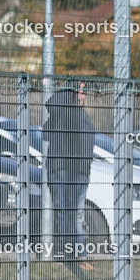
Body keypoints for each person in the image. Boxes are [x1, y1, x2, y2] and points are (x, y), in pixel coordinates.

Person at [43, 84, 96, 269]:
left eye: (84, 90)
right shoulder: (63, 112)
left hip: (80, 173)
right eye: (79, 90)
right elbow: (52, 103)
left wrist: (85, 170)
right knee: (64, 213)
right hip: (62, 169)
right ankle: (69, 254)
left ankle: (80, 255)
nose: (83, 94)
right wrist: (68, 91)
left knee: (77, 215)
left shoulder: (84, 117)